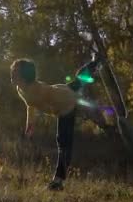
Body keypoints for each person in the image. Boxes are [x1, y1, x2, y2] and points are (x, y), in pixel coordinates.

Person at [10, 57, 102, 190]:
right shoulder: (20, 89)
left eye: (15, 72)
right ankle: (95, 62)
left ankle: (58, 181)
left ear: (24, 77)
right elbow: (30, 105)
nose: (12, 75)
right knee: (79, 80)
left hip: (65, 104)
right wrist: (29, 125)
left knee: (63, 143)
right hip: (62, 91)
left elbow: (47, 97)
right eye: (12, 71)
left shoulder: (36, 89)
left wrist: (85, 107)